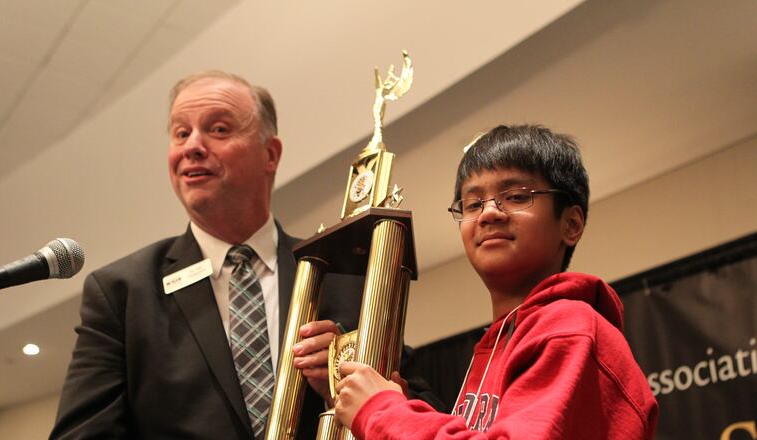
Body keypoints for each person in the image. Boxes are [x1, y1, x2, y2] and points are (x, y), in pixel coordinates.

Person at [50, 71, 366, 439]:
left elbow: (416, 408)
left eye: (217, 129)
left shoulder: (343, 274)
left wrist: (347, 388)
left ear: (270, 154)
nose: (192, 147)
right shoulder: (121, 292)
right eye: (181, 133)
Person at [334, 124, 659, 439]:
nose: (489, 212)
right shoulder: (499, 344)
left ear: (571, 224)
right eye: (473, 204)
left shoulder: (571, 328)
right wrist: (400, 410)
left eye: (517, 197)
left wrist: (384, 413)